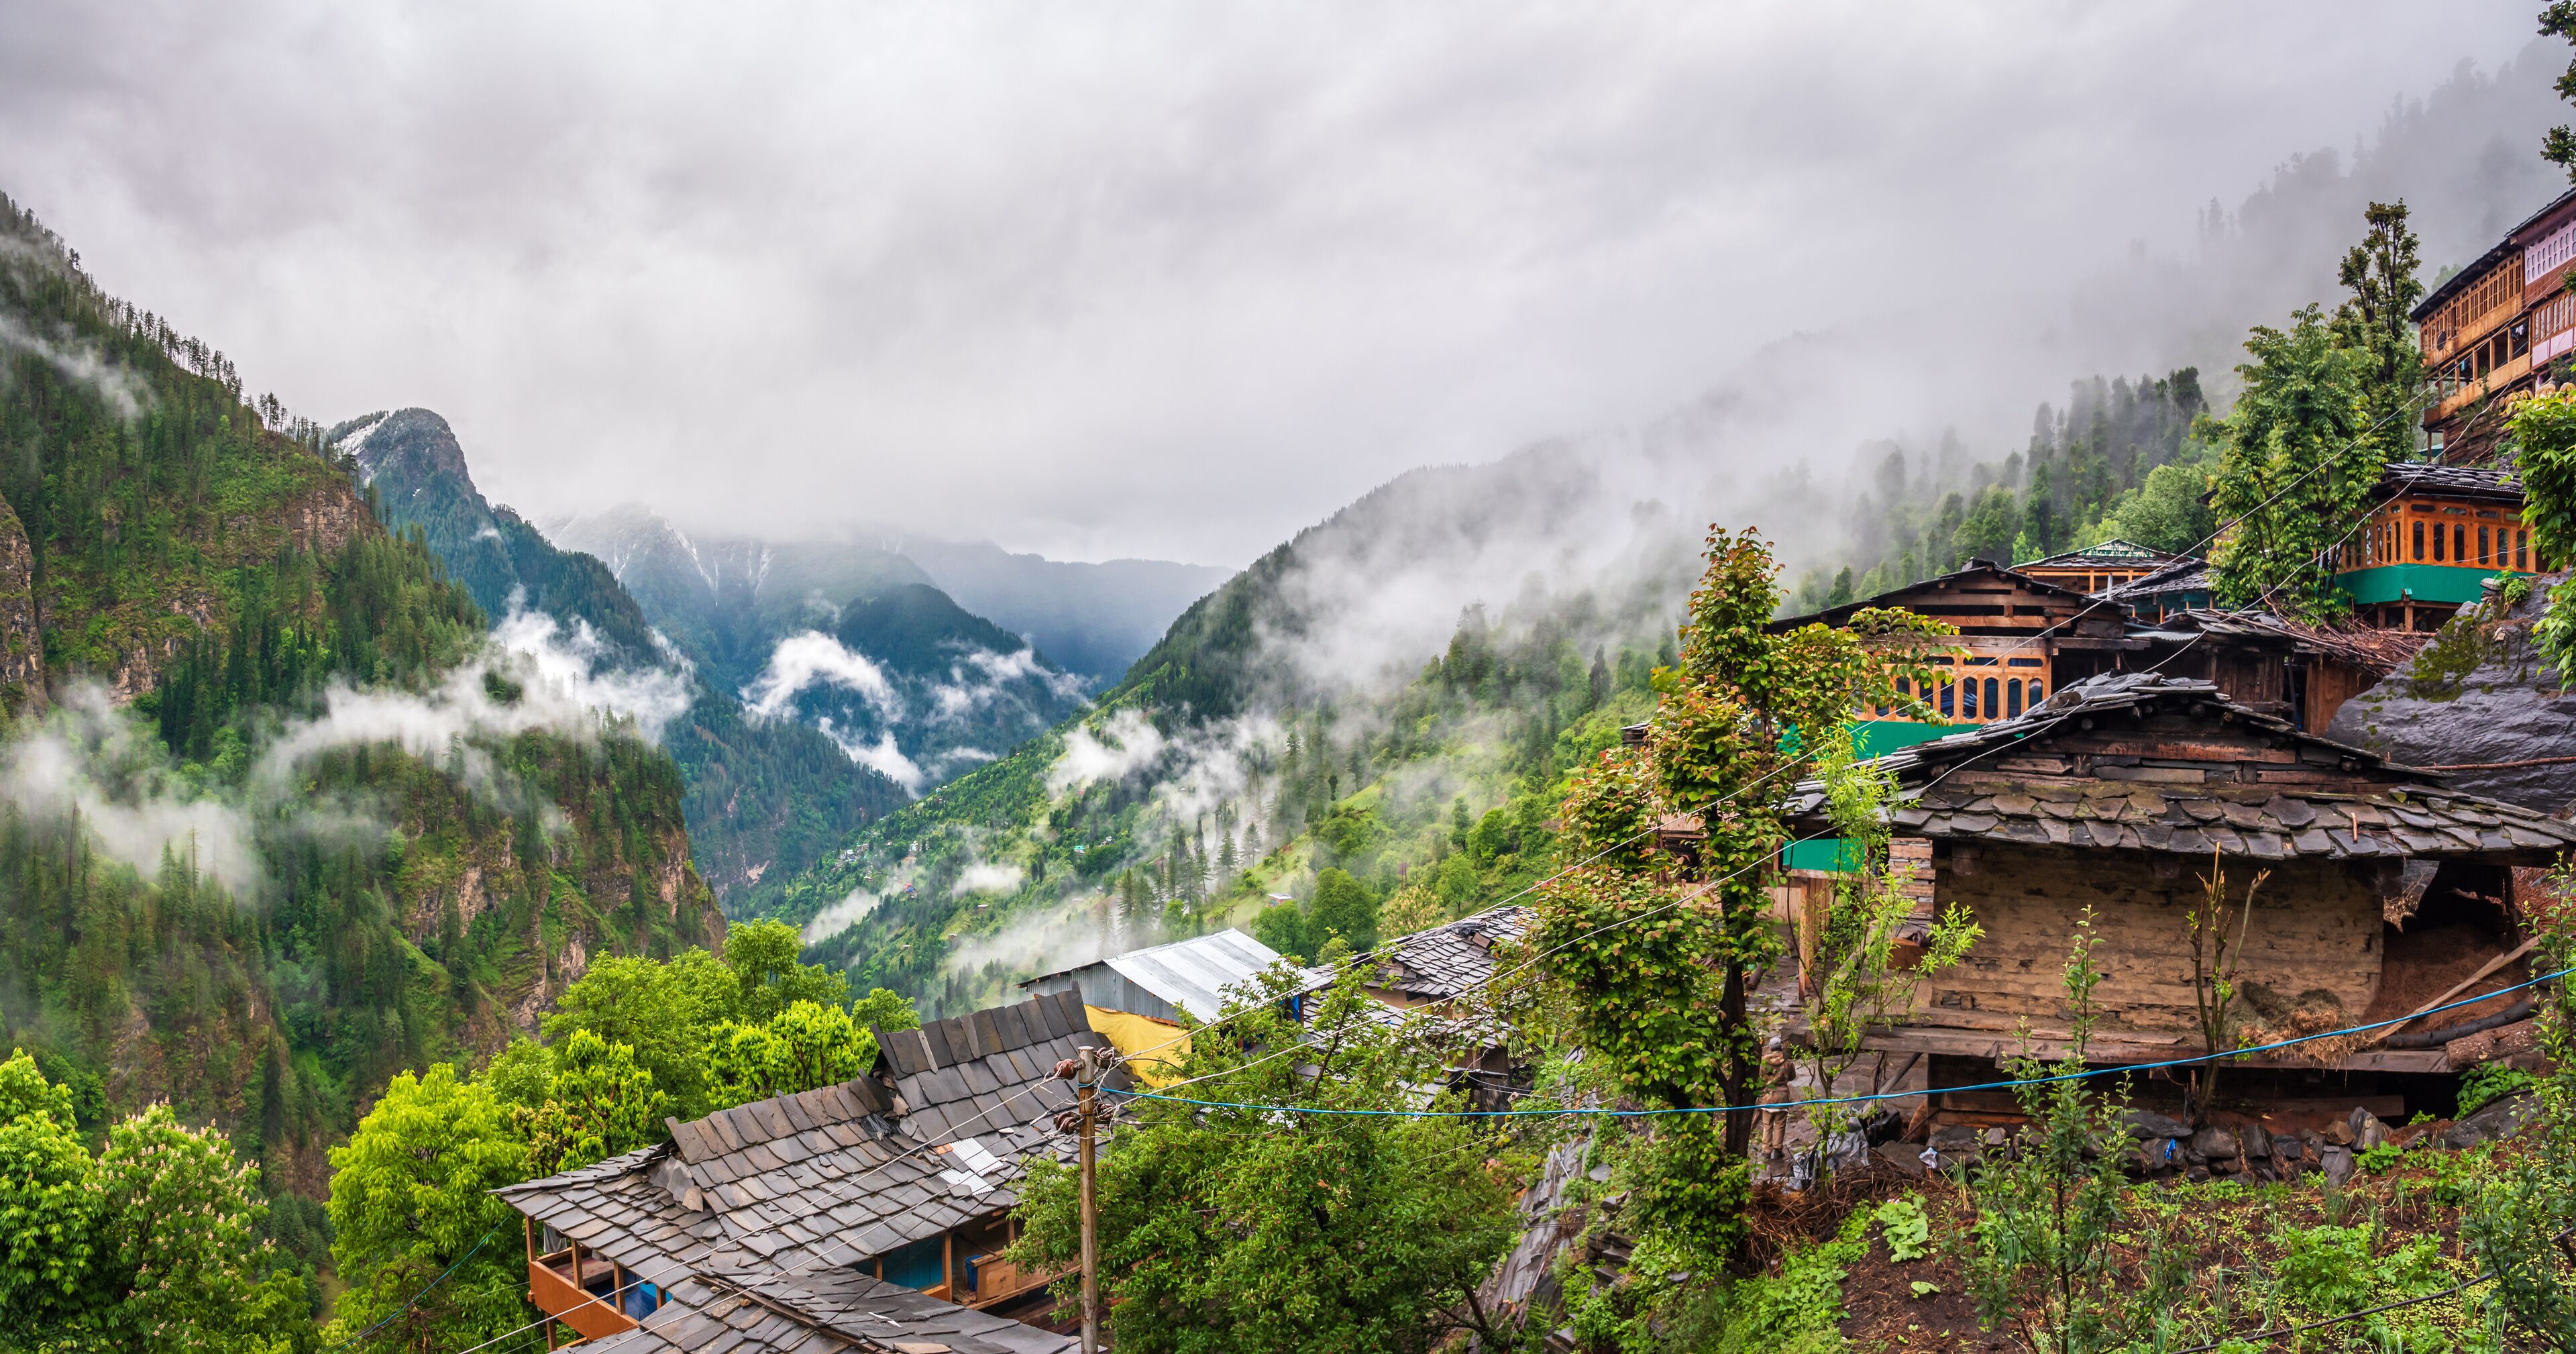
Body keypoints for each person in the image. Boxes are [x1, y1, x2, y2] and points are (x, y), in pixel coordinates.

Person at [1756, 1035, 1796, 1165]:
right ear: (1781, 1048)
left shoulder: (1764, 1062)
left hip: (1768, 1096)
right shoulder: (1788, 1063)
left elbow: (1761, 1078)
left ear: (1771, 1048)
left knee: (1767, 1124)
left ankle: (1766, 1150)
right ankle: (1778, 1149)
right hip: (1782, 1098)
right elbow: (1792, 1077)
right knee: (1780, 1124)